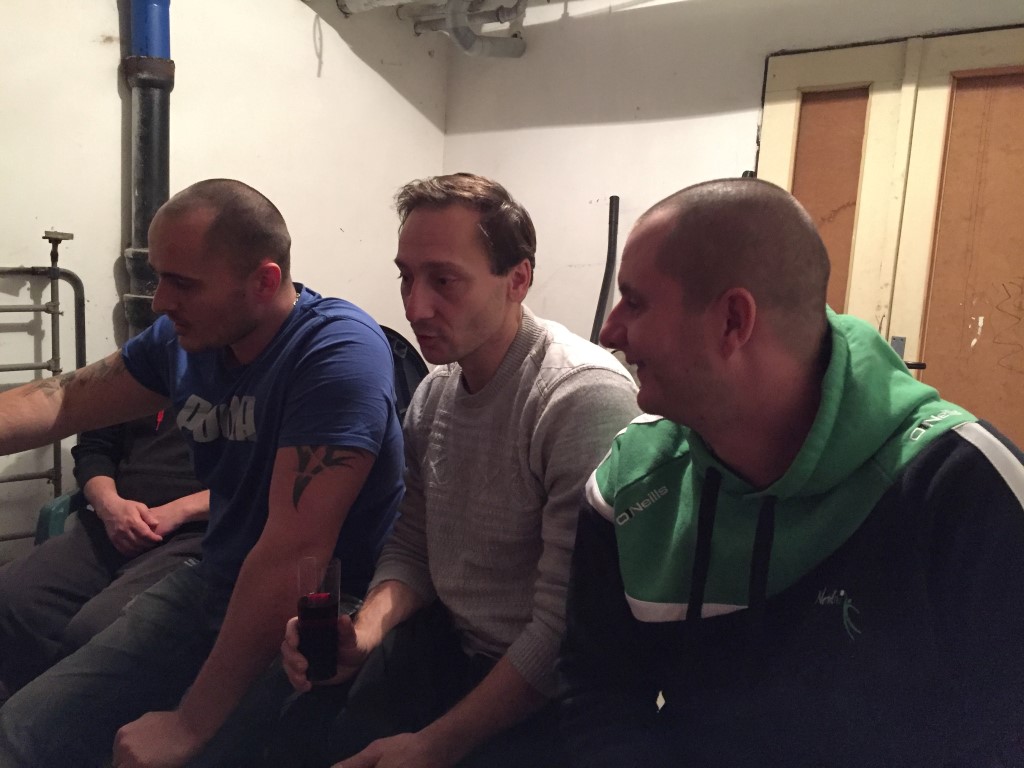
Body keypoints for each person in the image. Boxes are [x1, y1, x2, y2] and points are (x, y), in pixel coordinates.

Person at [557, 177, 1024, 767]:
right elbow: (596, 696)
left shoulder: (963, 487)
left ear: (733, 321)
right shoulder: (632, 481)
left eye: (636, 302)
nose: (609, 332)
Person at [0, 178, 405, 768]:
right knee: (20, 737)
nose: (160, 302)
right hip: (219, 576)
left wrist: (190, 723)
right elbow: (66, 398)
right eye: (158, 277)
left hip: (322, 605)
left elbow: (292, 554)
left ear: (263, 281)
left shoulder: (338, 352)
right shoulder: (183, 340)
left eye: (183, 283)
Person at [271, 172, 640, 768]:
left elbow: (564, 627)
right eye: (406, 277)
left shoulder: (579, 397)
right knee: (295, 729)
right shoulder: (435, 392)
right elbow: (414, 543)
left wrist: (434, 745)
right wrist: (362, 633)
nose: (415, 306)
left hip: (556, 694)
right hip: (452, 649)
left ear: (518, 279)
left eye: (443, 280)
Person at [0, 409, 207, 701]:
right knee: (13, 595)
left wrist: (179, 511)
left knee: (99, 628)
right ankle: (24, 707)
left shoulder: (257, 388)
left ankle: (76, 715)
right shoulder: (135, 384)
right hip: (111, 522)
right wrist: (110, 505)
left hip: (197, 534)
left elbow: (260, 484)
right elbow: (95, 449)